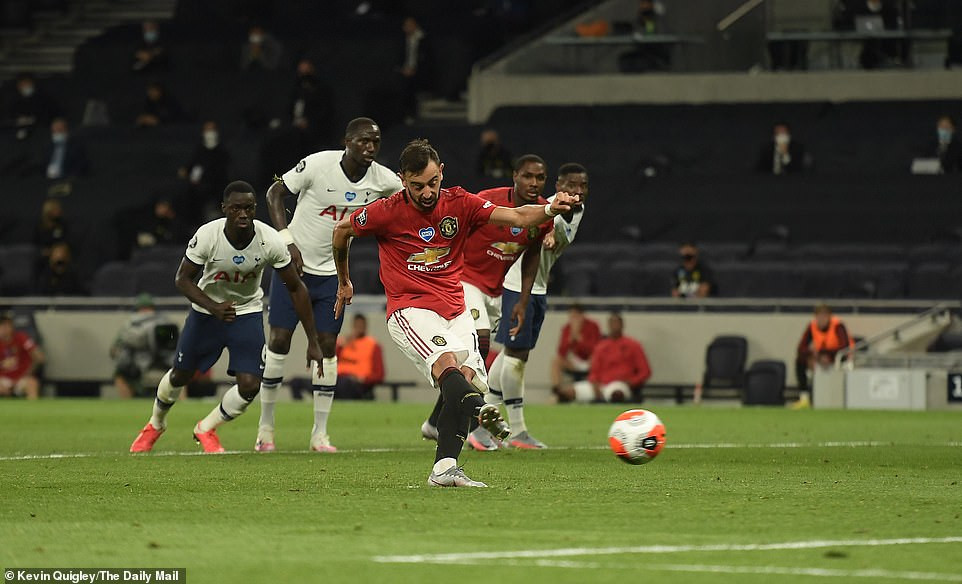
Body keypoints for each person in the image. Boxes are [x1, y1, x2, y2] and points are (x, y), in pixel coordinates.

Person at [332, 139, 576, 487]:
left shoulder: (460, 202)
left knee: (471, 378)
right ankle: (481, 410)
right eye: (417, 186)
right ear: (402, 180)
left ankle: (444, 467)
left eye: (433, 182)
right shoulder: (386, 211)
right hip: (411, 309)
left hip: (455, 309)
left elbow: (519, 216)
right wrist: (344, 280)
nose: (427, 192)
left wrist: (551, 209)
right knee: (446, 365)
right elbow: (342, 231)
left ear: (441, 173)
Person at [129, 181, 324, 454]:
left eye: (248, 208)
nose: (243, 214)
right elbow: (182, 280)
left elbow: (296, 287)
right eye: (236, 209)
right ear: (224, 210)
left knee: (250, 385)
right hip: (206, 313)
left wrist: (312, 340)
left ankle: (206, 427)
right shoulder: (208, 235)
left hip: (246, 311)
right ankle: (155, 424)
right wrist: (213, 306)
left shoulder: (270, 241)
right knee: (181, 375)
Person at [254, 117, 401, 453]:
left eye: (375, 142)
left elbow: (409, 201)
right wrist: (286, 240)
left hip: (334, 274)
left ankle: (320, 434)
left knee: (328, 347)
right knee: (278, 341)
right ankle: (265, 429)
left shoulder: (383, 179)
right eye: (363, 141)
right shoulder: (318, 164)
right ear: (346, 141)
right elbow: (275, 191)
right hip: (294, 269)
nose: (370, 148)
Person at [422, 154, 553, 451]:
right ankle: (477, 423)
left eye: (540, 178)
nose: (534, 183)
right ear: (514, 176)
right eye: (528, 176)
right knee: (479, 343)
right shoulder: (488, 201)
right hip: (465, 280)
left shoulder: (541, 213)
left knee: (472, 355)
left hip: (498, 289)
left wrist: (521, 300)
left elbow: (533, 256)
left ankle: (434, 421)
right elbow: (456, 226)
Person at [486, 162, 589, 448]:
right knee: (517, 357)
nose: (577, 191)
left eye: (583, 186)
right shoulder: (547, 208)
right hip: (518, 287)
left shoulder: (577, 211)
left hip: (538, 288)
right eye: (571, 186)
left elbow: (558, 234)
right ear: (558, 187)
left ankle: (483, 421)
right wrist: (546, 233)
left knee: (511, 354)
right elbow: (543, 227)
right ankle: (517, 430)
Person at [555, 312, 651, 403]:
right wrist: (594, 383)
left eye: (616, 323)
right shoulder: (601, 346)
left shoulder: (633, 345)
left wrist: (631, 382)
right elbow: (594, 370)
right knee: (568, 392)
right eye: (612, 323)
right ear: (608, 325)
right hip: (599, 385)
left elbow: (645, 371)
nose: (614, 326)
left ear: (622, 325)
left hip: (620, 384)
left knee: (616, 394)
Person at [110, 293, 177, 398]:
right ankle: (127, 404)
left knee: (180, 371)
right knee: (120, 374)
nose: (146, 312)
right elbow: (115, 349)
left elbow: (175, 344)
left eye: (148, 309)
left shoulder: (165, 324)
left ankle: (182, 402)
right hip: (138, 364)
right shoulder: (131, 325)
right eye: (144, 309)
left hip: (164, 362)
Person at [794, 302, 854, 408]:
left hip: (841, 358)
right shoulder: (812, 326)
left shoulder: (838, 325)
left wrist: (826, 355)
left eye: (824, 316)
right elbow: (801, 348)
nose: (821, 319)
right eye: (819, 316)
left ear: (829, 316)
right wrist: (812, 355)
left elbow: (844, 347)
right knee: (800, 361)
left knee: (841, 358)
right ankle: (804, 398)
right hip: (820, 357)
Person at [178, 121, 231, 223]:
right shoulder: (199, 149)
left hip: (217, 188)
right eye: (207, 130)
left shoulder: (223, 151)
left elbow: (224, 172)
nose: (209, 133)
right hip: (199, 189)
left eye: (212, 130)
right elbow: (193, 166)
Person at [550, 302, 601, 397]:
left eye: (576, 316)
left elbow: (595, 349)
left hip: (590, 360)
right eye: (571, 316)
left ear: (582, 315)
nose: (573, 319)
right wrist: (570, 340)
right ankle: (557, 390)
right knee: (556, 361)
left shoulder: (593, 326)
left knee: (595, 358)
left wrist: (579, 339)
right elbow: (561, 352)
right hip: (575, 361)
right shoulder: (567, 328)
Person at [335, 313, 385, 400]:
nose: (359, 328)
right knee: (308, 382)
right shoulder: (343, 343)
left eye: (361, 325)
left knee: (344, 383)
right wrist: (340, 347)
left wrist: (363, 379)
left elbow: (379, 374)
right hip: (338, 379)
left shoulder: (373, 345)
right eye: (357, 325)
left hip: (357, 384)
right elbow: (331, 361)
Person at [0, 313, 43, 400]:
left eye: (7, 325)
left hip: (22, 378)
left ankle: (33, 411)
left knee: (32, 383)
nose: (5, 329)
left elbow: (40, 358)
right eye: (2, 326)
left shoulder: (21, 338)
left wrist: (28, 373)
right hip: (3, 380)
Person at [397, 16, 431, 123]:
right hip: (405, 71)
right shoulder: (402, 41)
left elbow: (427, 61)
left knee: (410, 84)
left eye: (411, 25)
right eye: (406, 25)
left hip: (419, 72)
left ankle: (412, 113)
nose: (408, 28)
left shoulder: (424, 40)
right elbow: (398, 59)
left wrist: (414, 70)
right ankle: (404, 114)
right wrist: (403, 69)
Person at [9, 72, 61, 140]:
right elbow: (10, 116)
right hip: (20, 130)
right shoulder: (15, 100)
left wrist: (33, 119)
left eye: (27, 84)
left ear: (33, 84)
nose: (25, 86)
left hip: (41, 130)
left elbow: (52, 115)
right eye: (22, 85)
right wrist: (18, 120)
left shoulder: (45, 98)